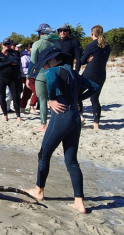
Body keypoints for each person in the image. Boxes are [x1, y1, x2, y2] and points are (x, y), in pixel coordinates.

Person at [24, 47, 100, 214]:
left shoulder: (53, 71)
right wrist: (77, 98)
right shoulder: (73, 73)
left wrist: (51, 99)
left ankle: (39, 191)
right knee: (71, 160)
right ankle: (79, 202)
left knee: (44, 154)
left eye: (45, 64)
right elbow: (94, 86)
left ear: (52, 60)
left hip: (61, 117)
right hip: (75, 117)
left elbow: (50, 79)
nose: (44, 68)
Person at [28, 23, 61, 131]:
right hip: (55, 73)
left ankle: (43, 125)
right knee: (55, 99)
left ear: (40, 33)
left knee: (42, 100)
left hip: (41, 75)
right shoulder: (56, 43)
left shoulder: (37, 44)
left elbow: (32, 61)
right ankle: (55, 123)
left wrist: (29, 76)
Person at [79, 25, 111, 130]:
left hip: (90, 73)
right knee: (95, 98)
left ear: (92, 33)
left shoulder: (92, 45)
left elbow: (81, 60)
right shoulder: (107, 46)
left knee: (77, 93)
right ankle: (96, 123)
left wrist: (87, 60)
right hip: (101, 74)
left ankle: (80, 116)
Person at [0, 38, 22, 121]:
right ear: (2, 45)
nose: (7, 46)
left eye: (8, 44)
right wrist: (10, 63)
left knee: (15, 97)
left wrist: (7, 58)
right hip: (1, 78)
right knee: (2, 96)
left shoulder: (15, 53)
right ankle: (5, 115)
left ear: (11, 45)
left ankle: (18, 116)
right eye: (5, 44)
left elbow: (16, 61)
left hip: (12, 78)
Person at [19, 43, 35, 112]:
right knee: (36, 91)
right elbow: (22, 69)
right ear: (29, 48)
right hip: (27, 76)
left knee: (27, 92)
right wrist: (32, 70)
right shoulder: (24, 57)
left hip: (32, 76)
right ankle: (32, 107)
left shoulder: (32, 56)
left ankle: (22, 107)